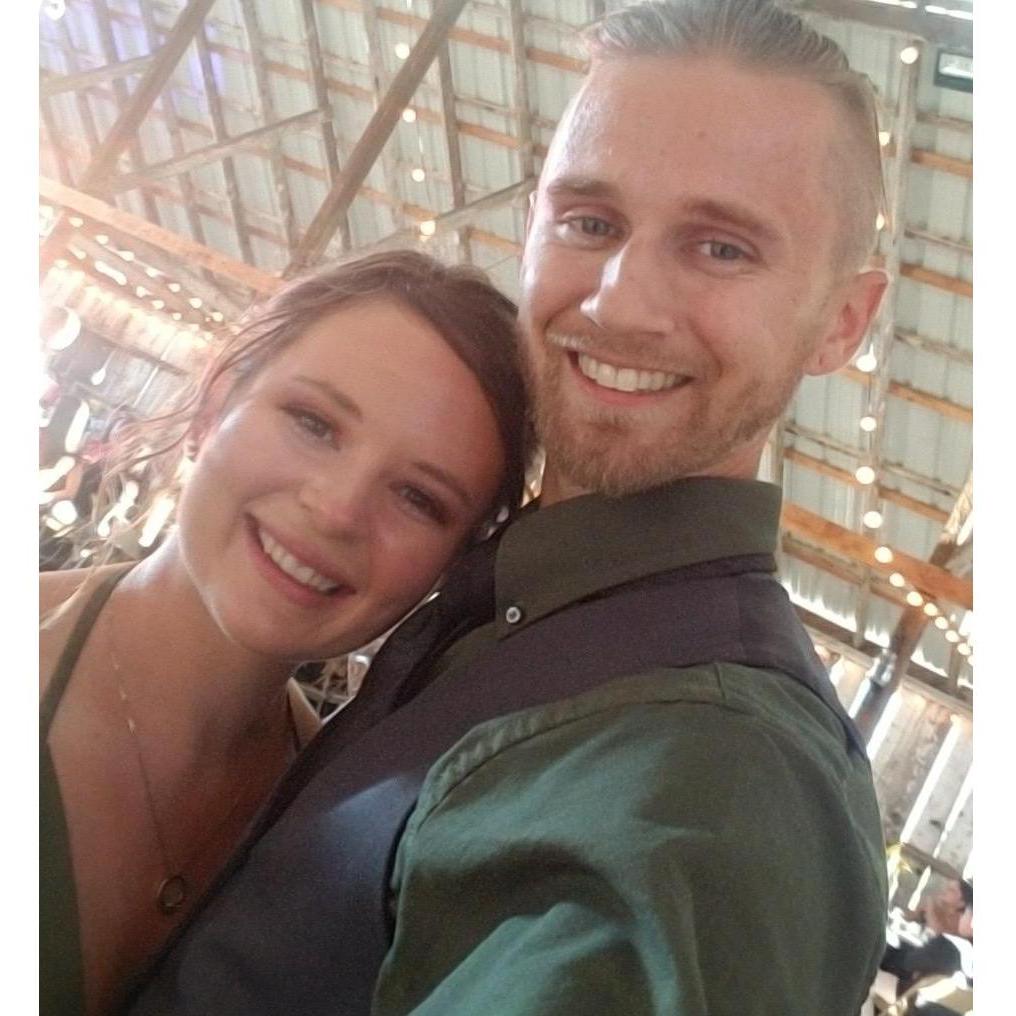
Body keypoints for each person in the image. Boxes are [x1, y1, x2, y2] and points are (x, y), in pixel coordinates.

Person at [124, 2, 890, 1014]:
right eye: (590, 222)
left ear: (842, 320)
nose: (617, 301)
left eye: (721, 249)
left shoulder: (721, 770)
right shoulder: (505, 606)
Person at [40, 250, 529, 1016]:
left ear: (452, 565)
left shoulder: (335, 823)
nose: (337, 510)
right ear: (216, 402)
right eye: (314, 423)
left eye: (418, 497)